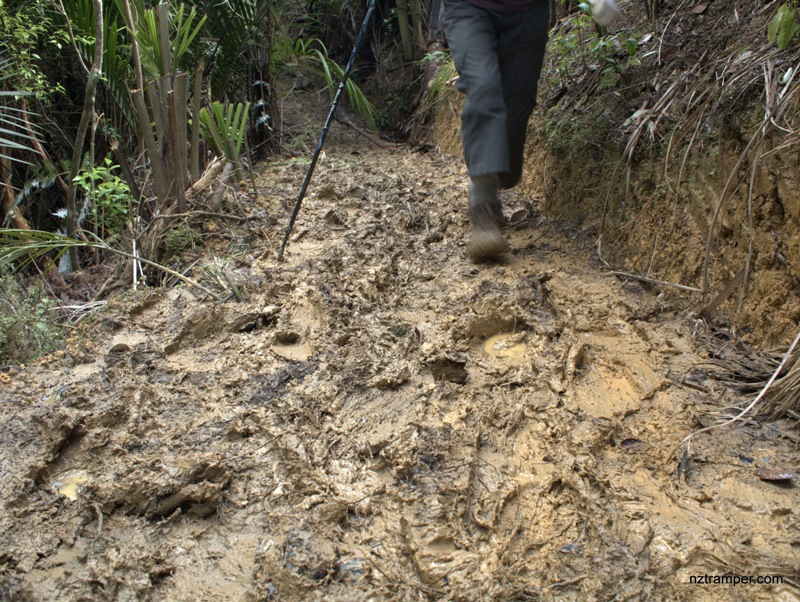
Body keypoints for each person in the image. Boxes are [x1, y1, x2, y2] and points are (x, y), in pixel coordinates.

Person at [441, 0, 618, 261]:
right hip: (469, 7)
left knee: (517, 106)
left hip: (527, 12)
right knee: (484, 88)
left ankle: (497, 175)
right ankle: (484, 209)